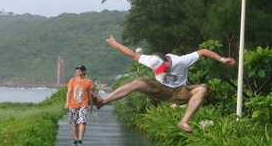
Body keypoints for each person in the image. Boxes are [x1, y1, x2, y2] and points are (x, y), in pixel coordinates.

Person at [91, 35, 235, 133]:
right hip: (160, 90)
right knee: (138, 83)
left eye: (164, 68)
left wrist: (222, 60)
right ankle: (103, 101)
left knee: (202, 90)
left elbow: (203, 51)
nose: (163, 70)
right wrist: (115, 44)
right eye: (160, 69)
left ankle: (184, 121)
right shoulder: (153, 61)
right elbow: (133, 55)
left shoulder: (181, 61)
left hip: (179, 92)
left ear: (167, 59)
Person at [65, 65, 94, 146]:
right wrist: (67, 103)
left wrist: (91, 106)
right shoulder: (72, 80)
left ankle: (80, 139)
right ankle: (76, 139)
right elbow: (69, 92)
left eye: (80, 70)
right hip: (73, 104)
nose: (78, 71)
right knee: (74, 123)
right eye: (77, 70)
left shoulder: (88, 81)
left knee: (82, 120)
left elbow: (90, 94)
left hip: (83, 104)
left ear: (84, 72)